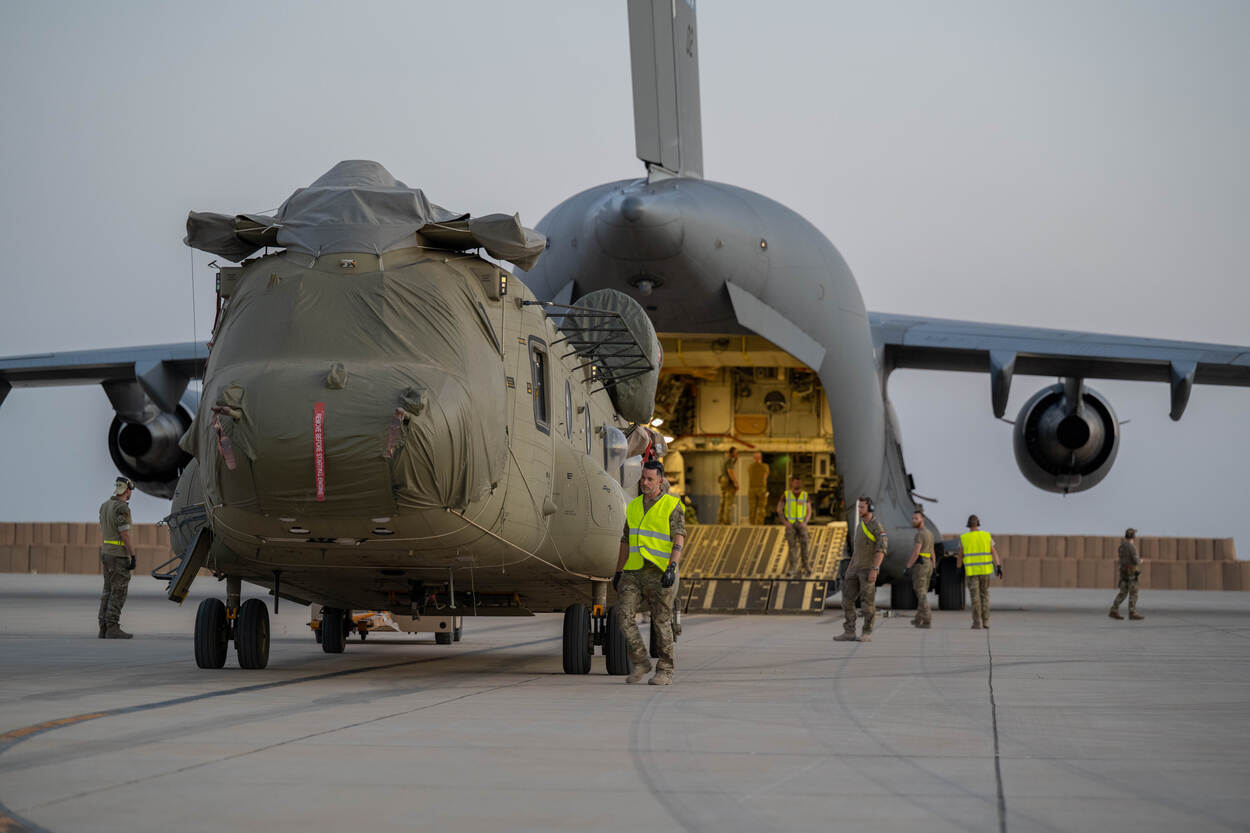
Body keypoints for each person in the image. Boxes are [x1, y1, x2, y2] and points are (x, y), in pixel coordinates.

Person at [614, 460, 685, 685]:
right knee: (623, 614)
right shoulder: (634, 506)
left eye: (649, 479)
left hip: (659, 570)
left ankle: (665, 670)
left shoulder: (671, 505)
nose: (644, 483)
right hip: (634, 570)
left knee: (661, 620)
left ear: (660, 481)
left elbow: (679, 537)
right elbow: (625, 540)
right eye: (643, 478)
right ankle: (641, 661)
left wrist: (672, 568)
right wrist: (618, 571)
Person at [835, 496, 887, 643]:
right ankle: (849, 631)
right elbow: (857, 550)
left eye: (862, 507)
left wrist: (875, 569)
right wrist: (850, 567)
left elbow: (881, 549)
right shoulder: (860, 525)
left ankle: (867, 632)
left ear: (870, 508)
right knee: (846, 600)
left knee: (867, 603)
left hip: (867, 569)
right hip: (855, 568)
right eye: (859, 507)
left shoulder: (876, 526)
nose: (859, 510)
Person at [98, 476, 137, 639]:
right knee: (118, 591)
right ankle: (112, 627)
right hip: (118, 555)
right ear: (127, 490)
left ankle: (104, 626)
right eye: (130, 491)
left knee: (107, 590)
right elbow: (124, 534)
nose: (130, 494)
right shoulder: (121, 508)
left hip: (106, 552)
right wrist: (132, 554)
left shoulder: (105, 506)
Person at [957, 514, 1001, 629]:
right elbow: (994, 552)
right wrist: (998, 566)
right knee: (984, 595)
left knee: (974, 597)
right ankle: (986, 621)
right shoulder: (986, 536)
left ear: (968, 525)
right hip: (985, 571)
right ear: (978, 524)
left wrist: (958, 569)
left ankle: (977, 622)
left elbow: (960, 555)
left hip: (972, 572)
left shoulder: (964, 538)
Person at [904, 507, 934, 628]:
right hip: (928, 564)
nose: (913, 520)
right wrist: (934, 565)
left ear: (922, 520)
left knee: (920, 593)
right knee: (923, 592)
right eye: (913, 518)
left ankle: (927, 619)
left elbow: (916, 553)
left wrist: (907, 566)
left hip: (921, 565)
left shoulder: (920, 535)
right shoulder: (930, 533)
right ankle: (918, 618)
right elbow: (932, 551)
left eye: (916, 518)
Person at [776, 476, 812, 577]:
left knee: (805, 546)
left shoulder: (805, 495)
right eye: (795, 482)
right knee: (792, 547)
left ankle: (806, 566)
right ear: (792, 483)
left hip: (801, 524)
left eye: (798, 482)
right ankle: (793, 568)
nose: (797, 484)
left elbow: (809, 510)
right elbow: (779, 509)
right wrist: (785, 522)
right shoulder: (786, 495)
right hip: (790, 525)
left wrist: (805, 522)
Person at [1109, 527, 1144, 621]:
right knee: (1134, 592)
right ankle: (1132, 613)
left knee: (1123, 592)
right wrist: (1140, 561)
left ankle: (1114, 610)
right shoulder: (1131, 547)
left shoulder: (1121, 546)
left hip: (1123, 572)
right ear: (1133, 536)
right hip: (1131, 573)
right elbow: (1135, 560)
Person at [716, 447, 739, 524]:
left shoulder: (725, 459)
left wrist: (736, 459)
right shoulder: (729, 461)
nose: (737, 454)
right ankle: (726, 521)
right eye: (736, 452)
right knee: (728, 501)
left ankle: (720, 520)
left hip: (722, 480)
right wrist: (735, 483)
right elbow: (730, 472)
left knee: (723, 501)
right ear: (732, 453)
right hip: (728, 481)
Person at [746, 452, 770, 524]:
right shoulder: (765, 466)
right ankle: (760, 524)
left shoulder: (750, 466)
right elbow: (766, 476)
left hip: (751, 489)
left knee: (752, 508)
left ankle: (752, 524)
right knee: (761, 508)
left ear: (754, 458)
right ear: (761, 458)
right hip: (761, 489)